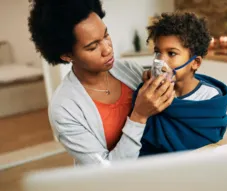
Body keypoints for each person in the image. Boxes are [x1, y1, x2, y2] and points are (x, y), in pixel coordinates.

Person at [28, 0, 175, 165]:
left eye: (106, 35)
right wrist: (139, 116)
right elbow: (106, 171)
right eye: (92, 47)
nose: (108, 49)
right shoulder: (64, 109)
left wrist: (165, 86)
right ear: (67, 55)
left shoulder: (129, 69)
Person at [134, 12, 227, 156]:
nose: (161, 61)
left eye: (171, 53)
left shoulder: (210, 98)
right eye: (157, 52)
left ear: (195, 63)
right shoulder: (149, 92)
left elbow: (207, 147)